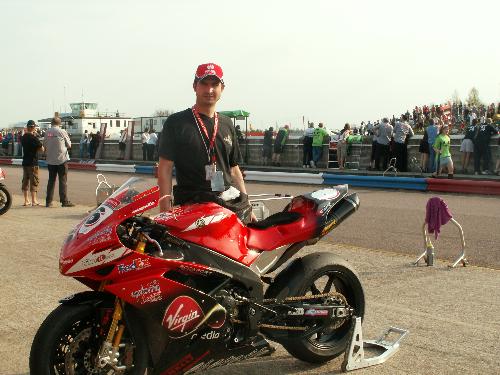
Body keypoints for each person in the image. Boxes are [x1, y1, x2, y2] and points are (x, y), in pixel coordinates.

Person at [157, 62, 254, 223]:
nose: (209, 90)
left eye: (214, 84)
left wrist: (247, 205)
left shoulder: (227, 123)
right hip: (192, 205)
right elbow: (165, 169)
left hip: (226, 205)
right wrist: (165, 209)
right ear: (195, 86)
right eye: (204, 84)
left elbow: (234, 169)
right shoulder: (176, 123)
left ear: (222, 88)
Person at [43, 117, 74, 207]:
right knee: (63, 180)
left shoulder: (47, 132)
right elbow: (69, 145)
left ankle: (48, 201)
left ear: (51, 123)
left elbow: (44, 145)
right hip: (61, 159)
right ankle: (64, 201)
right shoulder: (62, 131)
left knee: (51, 181)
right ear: (59, 123)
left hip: (50, 160)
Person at [21, 120, 44, 206]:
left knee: (25, 181)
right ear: (33, 127)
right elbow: (42, 149)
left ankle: (26, 200)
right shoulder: (34, 138)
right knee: (34, 181)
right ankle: (34, 200)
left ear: (27, 127)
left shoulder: (23, 137)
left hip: (25, 162)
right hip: (33, 162)